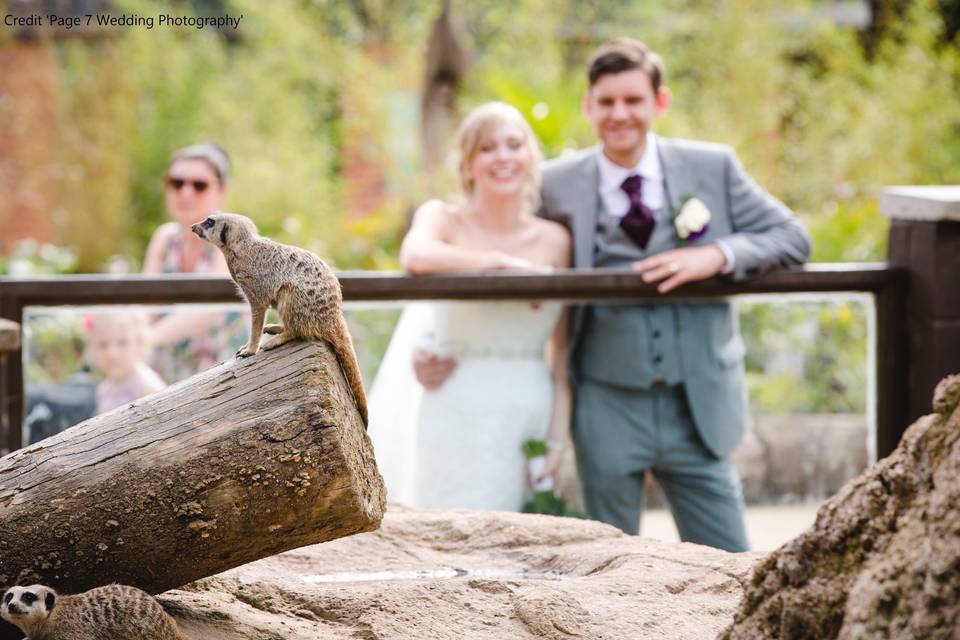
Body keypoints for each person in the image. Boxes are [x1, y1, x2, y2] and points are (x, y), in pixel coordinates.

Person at [414, 39, 811, 552]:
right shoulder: (553, 182)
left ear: (658, 103)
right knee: (608, 561)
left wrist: (716, 256)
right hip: (604, 402)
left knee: (731, 560)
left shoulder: (713, 168)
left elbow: (794, 238)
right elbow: (481, 236)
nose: (619, 114)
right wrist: (432, 343)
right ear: (589, 107)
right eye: (606, 102)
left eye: (633, 100)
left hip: (700, 404)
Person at [367, 101, 572, 511]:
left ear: (531, 157)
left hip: (527, 406)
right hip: (452, 404)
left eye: (514, 145)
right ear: (467, 163)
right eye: (488, 148)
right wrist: (498, 265)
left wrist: (557, 440)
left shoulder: (555, 240)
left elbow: (561, 354)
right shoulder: (442, 219)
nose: (503, 157)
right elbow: (415, 256)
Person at [142, 143, 247, 382]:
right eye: (177, 183)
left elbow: (207, 308)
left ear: (221, 191)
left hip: (225, 382)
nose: (185, 193)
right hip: (164, 380)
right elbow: (145, 303)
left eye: (199, 185)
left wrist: (144, 339)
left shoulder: (232, 237)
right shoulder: (165, 239)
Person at [84, 309, 166, 414]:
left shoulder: (148, 387)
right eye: (103, 345)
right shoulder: (104, 390)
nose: (112, 353)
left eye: (122, 343)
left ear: (140, 343)